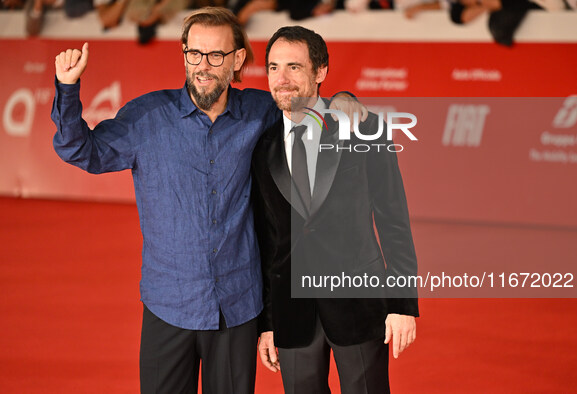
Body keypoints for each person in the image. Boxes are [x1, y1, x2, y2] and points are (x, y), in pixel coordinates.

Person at [51, 6, 361, 393]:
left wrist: (342, 100)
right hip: (169, 304)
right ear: (184, 54)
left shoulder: (260, 112)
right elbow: (83, 151)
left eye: (216, 55)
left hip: (237, 307)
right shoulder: (147, 118)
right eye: (194, 54)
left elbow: (307, 107)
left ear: (237, 60)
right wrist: (67, 89)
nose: (203, 65)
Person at [252, 26, 419, 394]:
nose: (282, 79)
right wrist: (266, 322)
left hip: (358, 301)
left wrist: (403, 304)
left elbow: (394, 219)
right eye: (274, 67)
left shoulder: (364, 129)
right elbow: (267, 240)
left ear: (321, 72)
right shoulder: (262, 148)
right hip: (292, 314)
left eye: (295, 67)